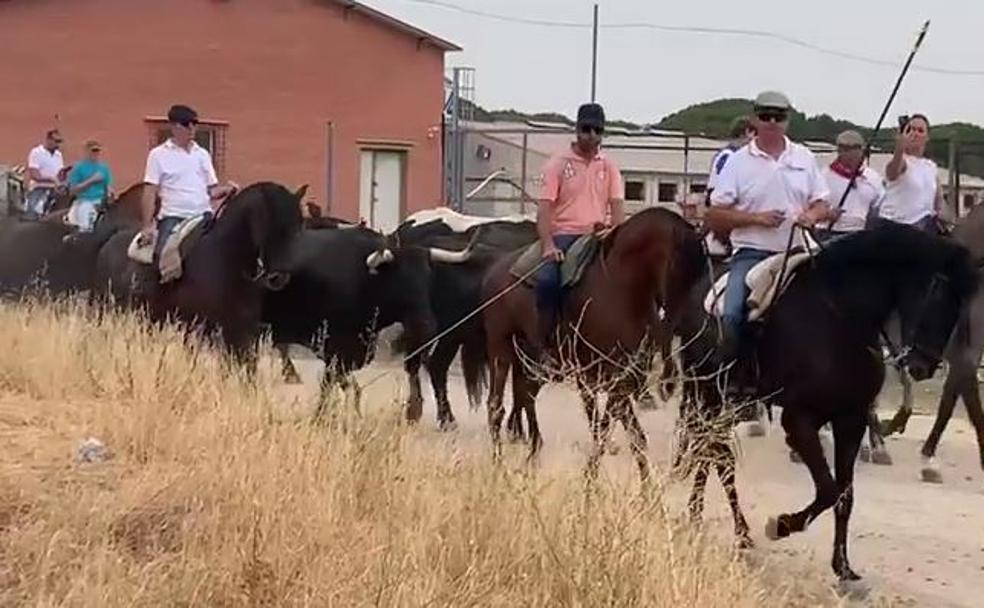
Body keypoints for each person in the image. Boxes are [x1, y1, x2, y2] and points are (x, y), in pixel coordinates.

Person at [706, 91, 834, 366]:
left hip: (799, 252)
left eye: (779, 117)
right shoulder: (738, 162)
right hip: (752, 255)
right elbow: (715, 214)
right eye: (766, 116)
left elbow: (822, 203)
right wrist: (756, 219)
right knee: (732, 314)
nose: (772, 122)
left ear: (788, 120)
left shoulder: (804, 157)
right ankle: (732, 376)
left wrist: (811, 215)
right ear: (755, 119)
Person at [536, 102, 625, 351]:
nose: (593, 136)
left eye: (598, 130)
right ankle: (547, 341)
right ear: (576, 130)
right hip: (565, 235)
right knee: (547, 281)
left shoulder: (608, 166)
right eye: (587, 129)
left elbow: (617, 208)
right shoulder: (557, 164)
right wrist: (548, 244)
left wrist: (615, 231)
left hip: (599, 234)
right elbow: (544, 208)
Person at [138, 104, 238, 266]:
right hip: (174, 217)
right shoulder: (158, 155)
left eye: (194, 124)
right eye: (187, 124)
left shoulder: (202, 154)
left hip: (203, 217)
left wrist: (227, 190)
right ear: (174, 126)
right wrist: (147, 226)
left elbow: (212, 191)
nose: (192, 128)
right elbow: (150, 191)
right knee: (162, 258)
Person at [876, 114, 944, 234]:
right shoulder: (902, 161)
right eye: (911, 129)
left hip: (923, 227)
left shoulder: (930, 166)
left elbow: (939, 202)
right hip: (896, 227)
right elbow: (892, 172)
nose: (915, 133)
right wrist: (899, 147)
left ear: (927, 137)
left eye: (920, 130)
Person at [816, 130, 884, 243]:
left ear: (861, 150)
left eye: (854, 148)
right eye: (844, 149)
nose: (848, 154)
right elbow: (810, 208)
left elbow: (879, 207)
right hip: (828, 233)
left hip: (860, 234)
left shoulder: (872, 177)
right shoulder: (823, 176)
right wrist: (827, 215)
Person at [704, 116, 756, 256]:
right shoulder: (729, 155)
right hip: (721, 203)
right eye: (754, 135)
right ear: (747, 132)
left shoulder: (734, 155)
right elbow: (723, 186)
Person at [66, 140, 112, 232]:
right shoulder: (78, 168)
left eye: (97, 151)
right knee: (86, 224)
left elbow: (108, 186)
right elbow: (73, 190)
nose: (95, 154)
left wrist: (110, 193)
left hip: (101, 201)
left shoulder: (104, 168)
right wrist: (91, 180)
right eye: (93, 151)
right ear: (86, 151)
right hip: (85, 201)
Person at [25, 129, 65, 217]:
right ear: (48, 140)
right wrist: (51, 179)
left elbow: (60, 173)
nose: (58, 145)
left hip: (54, 190)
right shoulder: (36, 152)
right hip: (39, 188)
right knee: (33, 215)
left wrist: (62, 179)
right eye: (56, 141)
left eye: (59, 142)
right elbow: (34, 175)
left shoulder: (58, 155)